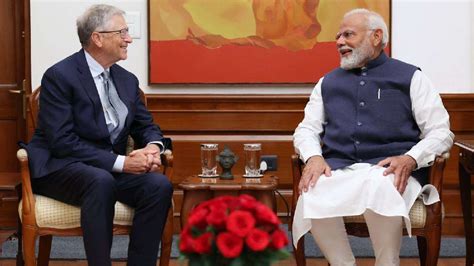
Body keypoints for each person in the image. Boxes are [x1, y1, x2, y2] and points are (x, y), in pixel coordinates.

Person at [292, 8, 454, 266]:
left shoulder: (412, 77)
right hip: (341, 170)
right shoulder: (327, 82)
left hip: (392, 172)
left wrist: (410, 158)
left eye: (348, 35)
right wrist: (313, 157)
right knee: (313, 188)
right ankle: (342, 263)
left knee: (382, 182)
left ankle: (387, 263)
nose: (339, 42)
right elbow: (307, 128)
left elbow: (441, 131)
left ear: (376, 37)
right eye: (338, 37)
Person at [25, 4, 173, 266]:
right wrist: (124, 163)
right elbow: (62, 142)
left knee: (158, 186)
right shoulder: (60, 77)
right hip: (60, 168)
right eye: (122, 32)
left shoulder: (127, 80)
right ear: (98, 38)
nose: (129, 38)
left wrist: (153, 148)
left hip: (105, 169)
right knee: (100, 180)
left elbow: (145, 125)